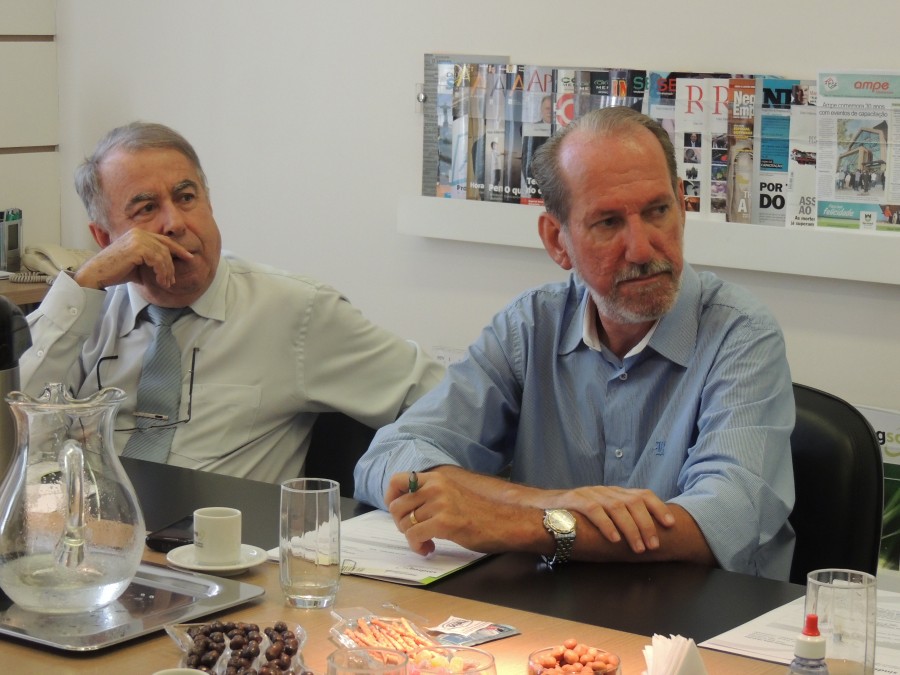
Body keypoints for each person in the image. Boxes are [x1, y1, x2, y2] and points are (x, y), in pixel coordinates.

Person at [354, 106, 795, 580]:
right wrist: (550, 502)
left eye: (657, 211)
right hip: (549, 613)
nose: (641, 248)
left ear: (682, 210)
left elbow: (724, 519)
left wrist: (522, 524)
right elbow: (389, 458)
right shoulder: (530, 325)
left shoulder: (740, 333)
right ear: (557, 241)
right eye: (608, 222)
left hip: (699, 619)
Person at [20, 121, 445, 483]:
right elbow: (11, 424)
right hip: (91, 540)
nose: (175, 223)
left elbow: (445, 400)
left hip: (224, 546)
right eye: (146, 209)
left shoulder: (296, 311)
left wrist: (399, 479)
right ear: (104, 238)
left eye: (186, 198)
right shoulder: (84, 314)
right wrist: (84, 283)